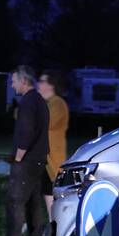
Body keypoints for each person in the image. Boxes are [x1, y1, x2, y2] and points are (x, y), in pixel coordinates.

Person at [4, 64, 49, 236]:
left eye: (14, 81)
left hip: (27, 160)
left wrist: (18, 157)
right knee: (34, 202)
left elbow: (26, 132)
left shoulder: (28, 103)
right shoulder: (39, 101)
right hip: (38, 159)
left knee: (15, 200)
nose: (12, 85)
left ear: (23, 81)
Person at [37, 69, 69, 219]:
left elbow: (44, 123)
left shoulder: (58, 104)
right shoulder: (45, 103)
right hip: (41, 157)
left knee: (50, 193)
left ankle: (53, 226)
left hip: (52, 160)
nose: (39, 84)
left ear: (51, 85)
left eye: (42, 81)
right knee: (38, 193)